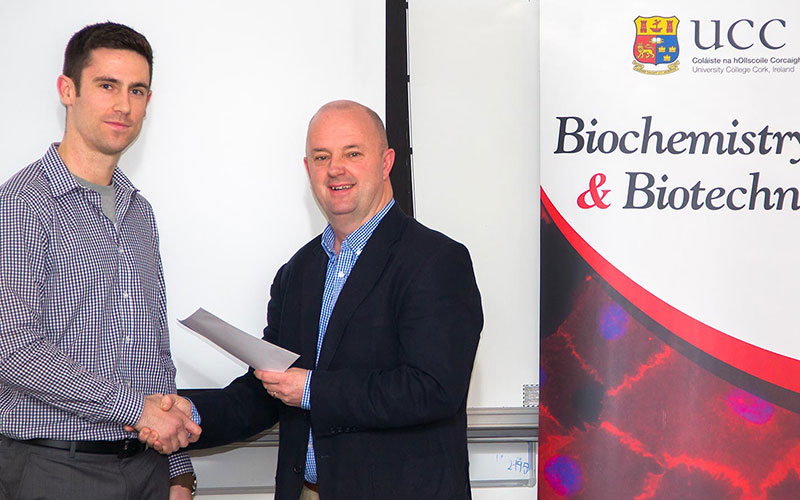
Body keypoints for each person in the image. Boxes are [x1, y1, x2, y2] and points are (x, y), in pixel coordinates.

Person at [146, 100, 483, 499]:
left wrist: (311, 389)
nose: (335, 168)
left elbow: (433, 390)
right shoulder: (297, 272)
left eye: (352, 154)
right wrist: (191, 413)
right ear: (308, 169)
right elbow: (267, 392)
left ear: (386, 162)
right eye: (322, 157)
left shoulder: (436, 261)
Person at [0, 22, 200, 499]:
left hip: (148, 468)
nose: (124, 106)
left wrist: (177, 469)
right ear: (67, 90)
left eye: (137, 90)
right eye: (107, 86)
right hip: (55, 467)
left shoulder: (139, 212)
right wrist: (138, 411)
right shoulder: (22, 204)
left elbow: (154, 349)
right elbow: (13, 351)